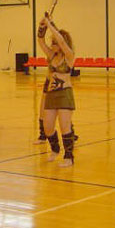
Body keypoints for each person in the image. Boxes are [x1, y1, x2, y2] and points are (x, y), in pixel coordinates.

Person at [37, 14, 76, 167]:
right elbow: (40, 40)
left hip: (65, 94)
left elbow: (60, 39)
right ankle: (55, 149)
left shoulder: (69, 56)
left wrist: (51, 23)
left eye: (55, 43)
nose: (52, 45)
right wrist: (42, 27)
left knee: (65, 126)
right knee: (48, 128)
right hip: (51, 95)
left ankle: (69, 157)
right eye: (52, 43)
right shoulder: (51, 55)